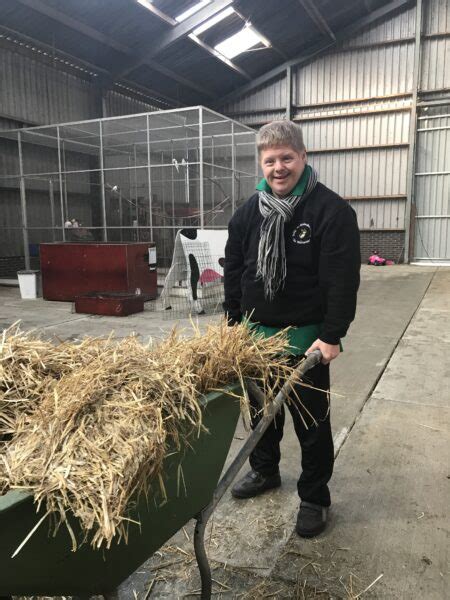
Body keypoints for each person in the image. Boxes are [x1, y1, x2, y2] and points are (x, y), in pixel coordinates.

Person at [223, 120, 360, 538]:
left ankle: (315, 497)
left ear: (303, 156)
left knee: (312, 422)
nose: (278, 168)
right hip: (255, 337)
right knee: (262, 414)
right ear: (260, 164)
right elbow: (235, 270)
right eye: (270, 160)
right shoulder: (249, 213)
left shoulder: (330, 211)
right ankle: (265, 471)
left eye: (286, 158)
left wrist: (333, 334)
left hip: (306, 339)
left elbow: (341, 278)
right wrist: (232, 323)